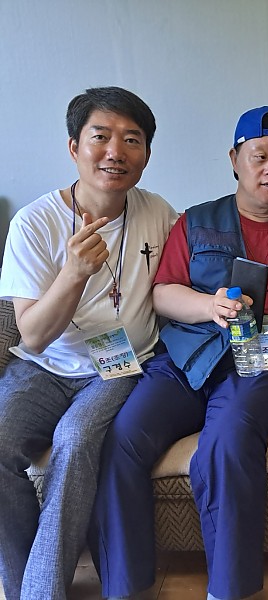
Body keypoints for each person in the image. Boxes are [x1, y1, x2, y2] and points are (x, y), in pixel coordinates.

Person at [88, 105, 268, 600]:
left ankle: (228, 591)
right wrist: (208, 306)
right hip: (192, 350)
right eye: (259, 157)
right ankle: (124, 586)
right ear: (234, 159)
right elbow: (163, 292)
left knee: (227, 440)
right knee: (123, 438)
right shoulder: (196, 221)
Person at [0, 87, 177, 600]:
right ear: (74, 147)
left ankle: (41, 592)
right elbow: (33, 335)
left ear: (146, 155)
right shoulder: (34, 222)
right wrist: (74, 273)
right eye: (101, 137)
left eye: (132, 140)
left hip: (119, 366)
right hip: (44, 366)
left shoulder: (157, 212)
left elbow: (209, 239)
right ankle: (24, 584)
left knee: (75, 441)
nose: (115, 152)